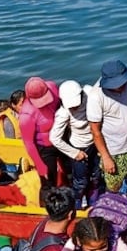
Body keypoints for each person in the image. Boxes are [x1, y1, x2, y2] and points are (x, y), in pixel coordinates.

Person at [87, 60, 127, 198]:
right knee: (114, 182)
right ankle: (114, 200)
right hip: (115, 149)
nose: (121, 86)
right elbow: (95, 131)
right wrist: (106, 157)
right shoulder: (96, 96)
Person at [49, 80, 103, 209]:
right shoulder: (63, 113)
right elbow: (54, 138)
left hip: (95, 143)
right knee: (80, 181)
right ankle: (77, 205)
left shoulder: (90, 95)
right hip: (78, 146)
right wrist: (74, 153)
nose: (74, 108)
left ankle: (94, 201)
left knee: (96, 175)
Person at [19, 77, 66, 193]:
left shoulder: (53, 88)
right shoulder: (26, 115)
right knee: (48, 182)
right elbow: (29, 143)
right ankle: (46, 201)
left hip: (62, 139)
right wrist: (40, 166)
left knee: (70, 171)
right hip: (45, 148)